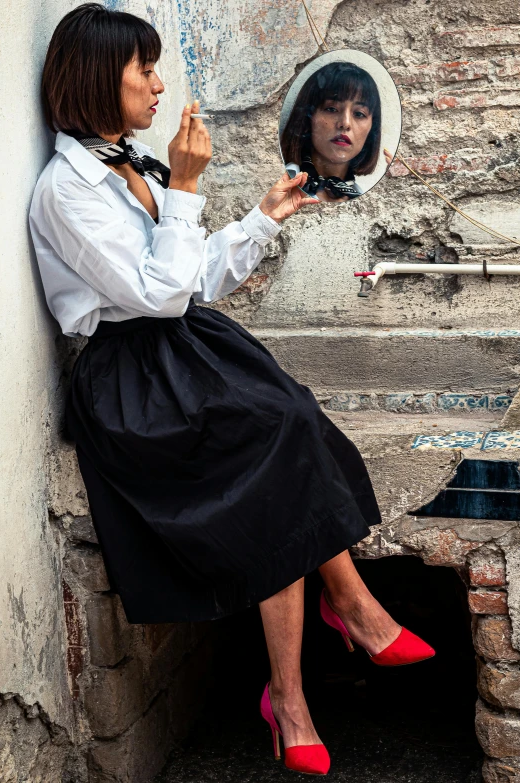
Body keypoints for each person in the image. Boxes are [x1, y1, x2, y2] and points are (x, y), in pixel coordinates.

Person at [29, 4, 434, 776]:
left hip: (177, 348)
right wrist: (183, 186)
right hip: (128, 378)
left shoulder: (127, 163)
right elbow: (159, 292)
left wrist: (262, 217)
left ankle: (296, 682)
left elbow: (194, 282)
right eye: (143, 71)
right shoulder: (65, 191)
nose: (157, 85)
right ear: (94, 80)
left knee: (285, 415)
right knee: (272, 431)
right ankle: (341, 613)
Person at [281, 61, 392, 203]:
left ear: (372, 129)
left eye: (359, 114)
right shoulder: (280, 181)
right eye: (332, 109)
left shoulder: (367, 200)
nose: (345, 123)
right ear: (308, 117)